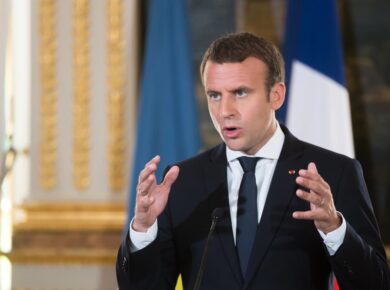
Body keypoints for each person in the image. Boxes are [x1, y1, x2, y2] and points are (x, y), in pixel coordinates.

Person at [116, 32, 390, 290]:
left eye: (240, 93)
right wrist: (142, 229)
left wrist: (335, 229)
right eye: (215, 95)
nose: (225, 111)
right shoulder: (183, 181)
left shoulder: (334, 173)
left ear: (276, 95)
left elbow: (376, 283)